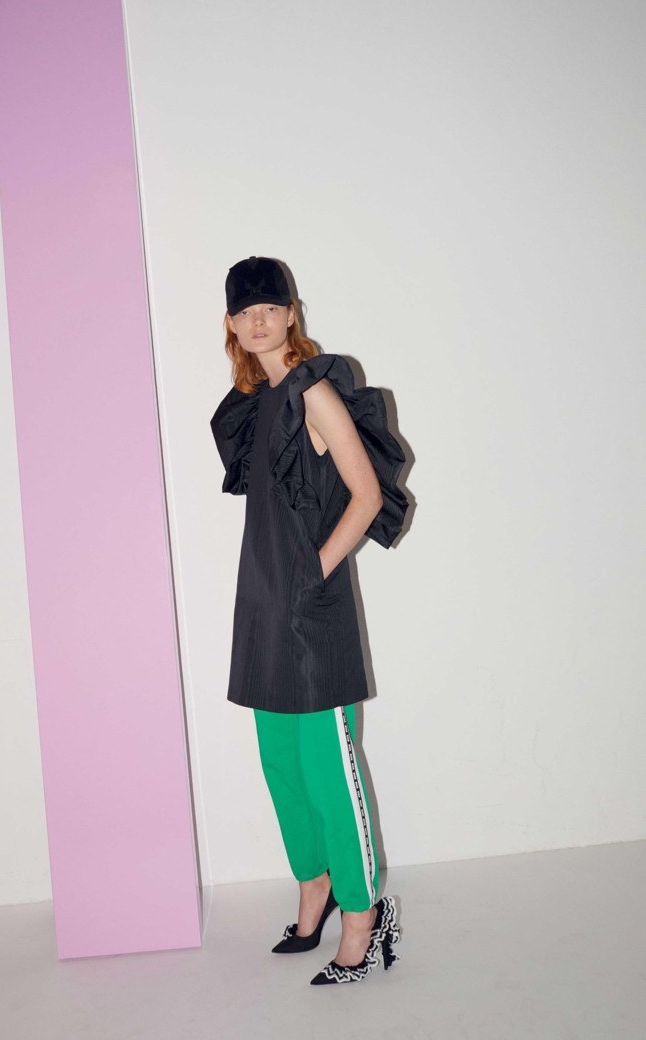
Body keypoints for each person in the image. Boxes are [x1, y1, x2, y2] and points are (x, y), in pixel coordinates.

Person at [210, 256, 409, 986]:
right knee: (283, 768)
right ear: (232, 325)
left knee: (329, 772)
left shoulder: (311, 391)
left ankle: (363, 918)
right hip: (262, 606)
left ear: (291, 314)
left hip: (310, 613)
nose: (259, 320)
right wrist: (279, 588)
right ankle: (314, 890)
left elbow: (366, 494)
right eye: (245, 311)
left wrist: (311, 573)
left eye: (271, 307)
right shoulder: (256, 402)